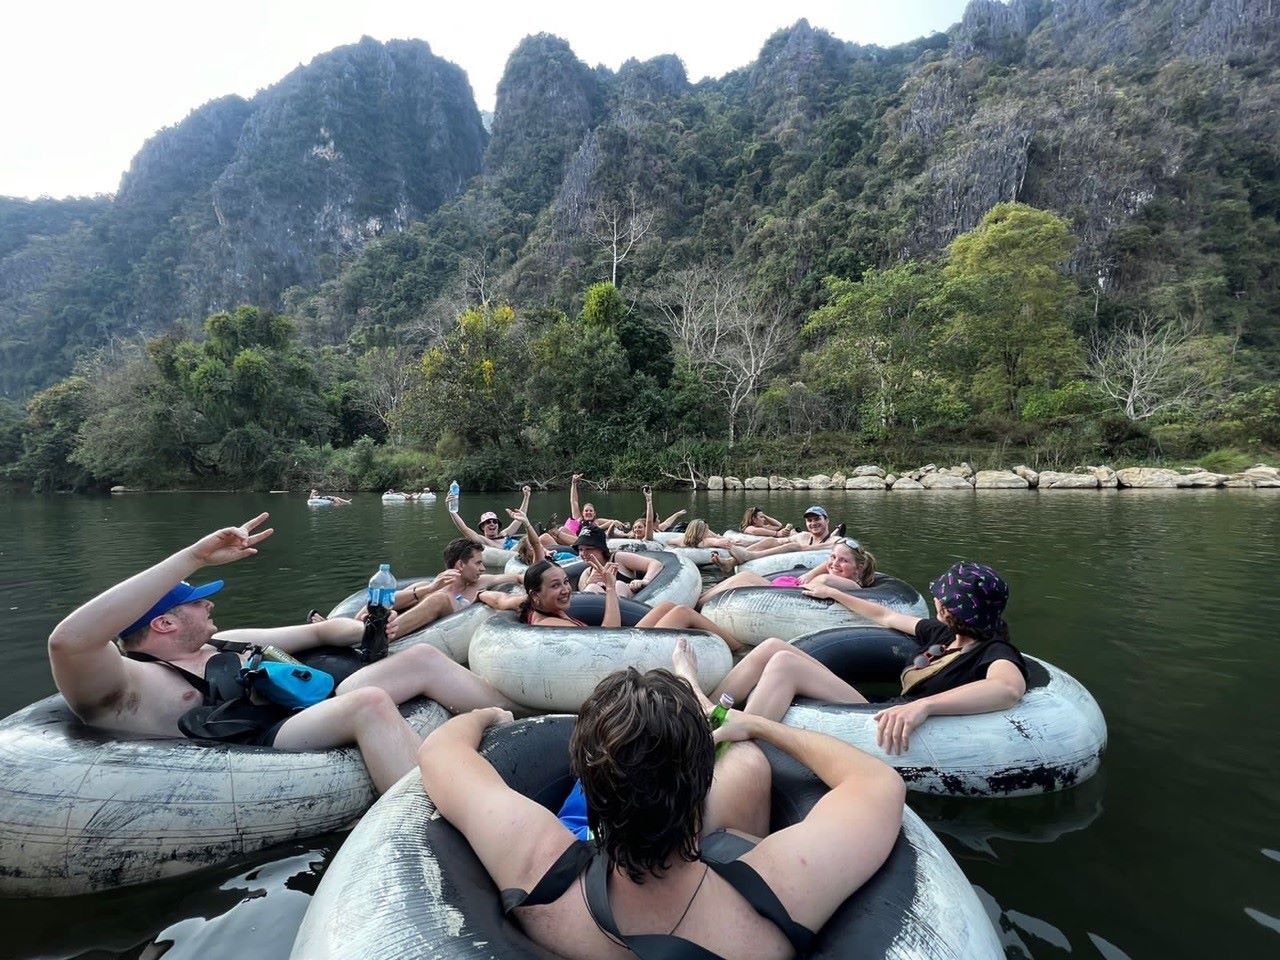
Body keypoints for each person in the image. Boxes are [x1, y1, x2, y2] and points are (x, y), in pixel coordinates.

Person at [418, 665, 904, 960]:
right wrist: (761, 727)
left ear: (588, 790)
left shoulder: (535, 863)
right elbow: (879, 782)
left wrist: (488, 716)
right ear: (702, 783)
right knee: (752, 763)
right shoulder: (780, 892)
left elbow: (439, 754)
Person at [46, 514, 519, 795]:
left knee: (423, 661)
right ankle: (457, 810)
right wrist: (191, 559)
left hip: (300, 709)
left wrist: (371, 624)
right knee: (370, 703)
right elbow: (68, 642)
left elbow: (318, 633)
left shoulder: (225, 640)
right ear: (163, 622)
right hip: (253, 749)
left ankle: (523, 719)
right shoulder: (128, 684)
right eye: (197, 600)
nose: (210, 603)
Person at [676, 560, 1028, 756]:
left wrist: (925, 707)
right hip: (879, 706)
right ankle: (704, 711)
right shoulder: (942, 634)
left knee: (783, 665)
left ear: (956, 609)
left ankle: (726, 745)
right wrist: (831, 592)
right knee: (770, 647)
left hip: (885, 718)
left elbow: (1008, 688)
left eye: (942, 597)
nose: (935, 600)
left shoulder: (994, 652)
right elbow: (886, 617)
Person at [520, 557, 745, 653]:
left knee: (666, 606)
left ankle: (725, 644)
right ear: (536, 595)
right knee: (683, 612)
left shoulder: (544, 609)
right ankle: (737, 650)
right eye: (555, 586)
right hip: (616, 655)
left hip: (613, 647)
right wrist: (609, 587)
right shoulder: (550, 624)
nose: (566, 589)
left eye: (566, 582)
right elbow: (610, 635)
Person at [362, 538, 523, 634]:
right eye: (478, 563)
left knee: (440, 599)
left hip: (456, 630)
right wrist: (429, 589)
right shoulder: (430, 588)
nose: (483, 568)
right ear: (460, 564)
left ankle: (377, 633)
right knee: (438, 597)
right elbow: (378, 602)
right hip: (407, 629)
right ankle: (375, 634)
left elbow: (516, 577)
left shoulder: (481, 582)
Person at [698, 538, 877, 608]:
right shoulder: (835, 571)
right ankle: (699, 600)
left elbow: (824, 580)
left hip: (777, 597)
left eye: (843, 561)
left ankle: (699, 605)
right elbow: (829, 565)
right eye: (833, 557)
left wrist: (815, 576)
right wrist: (810, 573)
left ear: (859, 568)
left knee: (745, 578)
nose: (835, 563)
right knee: (744, 577)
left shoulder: (853, 586)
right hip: (780, 587)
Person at [711, 505, 844, 572]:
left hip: (812, 569)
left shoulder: (836, 541)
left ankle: (748, 556)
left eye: (817, 519)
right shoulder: (804, 536)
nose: (813, 523)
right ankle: (733, 560)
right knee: (772, 541)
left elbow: (835, 548)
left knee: (794, 546)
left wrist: (796, 546)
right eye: (809, 520)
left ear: (826, 520)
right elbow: (775, 539)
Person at [572, 527, 663, 600]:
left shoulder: (619, 558)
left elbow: (655, 564)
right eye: (580, 549)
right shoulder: (587, 574)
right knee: (592, 587)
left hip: (630, 606)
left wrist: (645, 581)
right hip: (602, 613)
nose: (583, 554)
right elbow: (581, 602)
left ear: (601, 549)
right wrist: (589, 583)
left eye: (588, 549)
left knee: (619, 585)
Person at [447, 485, 539, 550]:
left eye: (494, 522)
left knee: (545, 537)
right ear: (482, 527)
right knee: (526, 541)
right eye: (488, 522)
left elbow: (520, 518)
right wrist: (451, 510)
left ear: (498, 525)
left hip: (528, 551)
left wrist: (526, 496)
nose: (492, 524)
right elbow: (464, 529)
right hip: (515, 555)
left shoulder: (504, 534)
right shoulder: (483, 541)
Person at [566, 473, 625, 537]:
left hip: (596, 542)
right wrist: (573, 483)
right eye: (586, 511)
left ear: (594, 513)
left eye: (591, 511)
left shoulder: (597, 521)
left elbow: (613, 521)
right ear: (582, 513)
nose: (588, 512)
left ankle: (627, 535)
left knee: (614, 530)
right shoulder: (579, 519)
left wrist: (622, 525)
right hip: (580, 541)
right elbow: (574, 501)